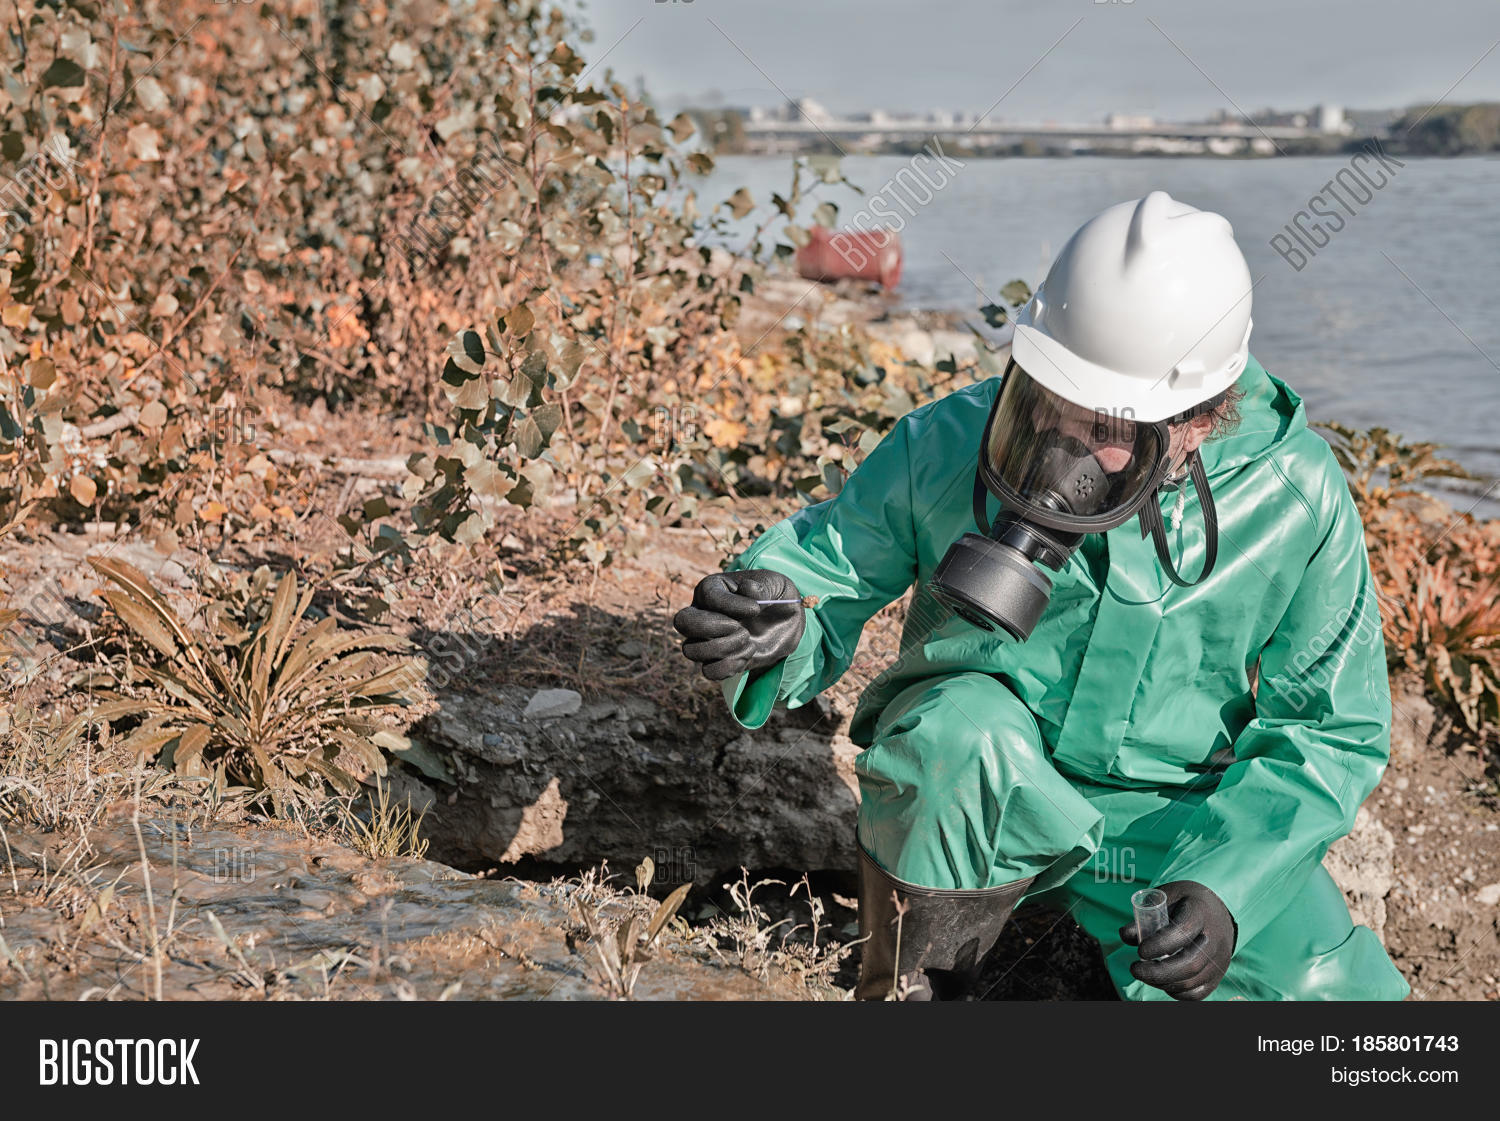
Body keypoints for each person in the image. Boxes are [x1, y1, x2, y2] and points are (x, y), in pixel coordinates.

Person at [673, 191, 1409, 1002]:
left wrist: (1229, 890)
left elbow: (1331, 728)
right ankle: (915, 983)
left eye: (1116, 428)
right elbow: (831, 565)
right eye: (1054, 400)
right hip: (975, 793)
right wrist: (772, 612)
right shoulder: (954, 442)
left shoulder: (1294, 496)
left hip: (1169, 823)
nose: (1069, 446)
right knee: (957, 730)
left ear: (1202, 418)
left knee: (1345, 1007)